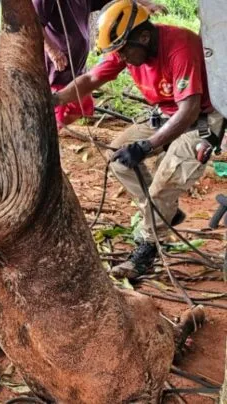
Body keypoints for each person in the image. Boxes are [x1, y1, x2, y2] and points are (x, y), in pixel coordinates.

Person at [53, 0, 225, 279]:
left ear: (144, 37)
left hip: (198, 121)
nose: (121, 57)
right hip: (168, 114)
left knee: (164, 185)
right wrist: (56, 98)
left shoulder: (180, 47)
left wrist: (147, 145)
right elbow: (92, 78)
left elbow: (189, 110)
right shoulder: (129, 50)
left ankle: (145, 253)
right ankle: (163, 214)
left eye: (123, 50)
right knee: (119, 160)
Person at [33, 0, 166, 129]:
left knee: (81, 108)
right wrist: (52, 51)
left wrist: (145, 3)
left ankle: (62, 132)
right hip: (57, 68)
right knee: (57, 113)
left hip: (76, 68)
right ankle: (54, 136)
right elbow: (34, 22)